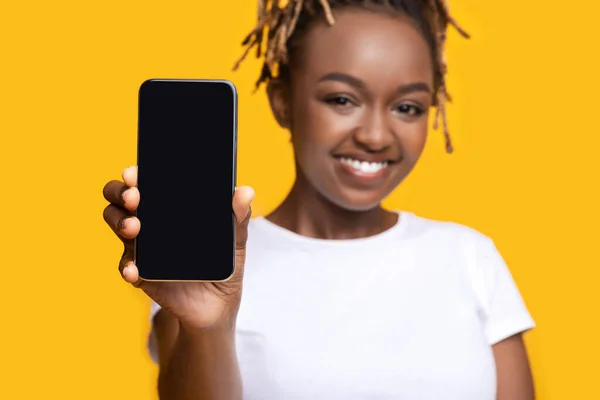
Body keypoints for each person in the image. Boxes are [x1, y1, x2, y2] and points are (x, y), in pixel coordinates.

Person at [102, 1, 536, 399]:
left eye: (408, 107)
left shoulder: (469, 257)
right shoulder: (213, 267)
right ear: (282, 101)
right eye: (342, 100)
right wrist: (210, 327)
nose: (375, 136)